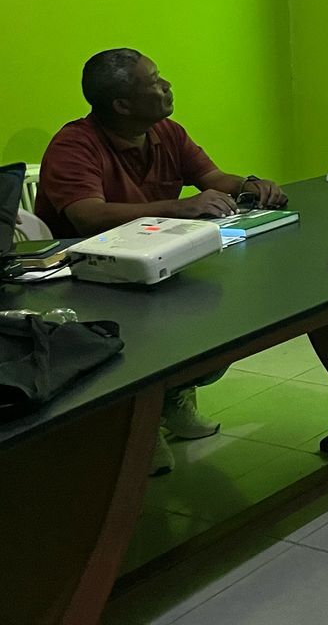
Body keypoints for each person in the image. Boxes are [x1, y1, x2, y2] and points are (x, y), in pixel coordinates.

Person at [35, 49, 287, 475]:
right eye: (153, 81)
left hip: (155, 263)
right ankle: (134, 424)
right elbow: (88, 216)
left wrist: (250, 184)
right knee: (141, 340)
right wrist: (179, 207)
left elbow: (212, 179)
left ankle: (172, 396)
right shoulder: (74, 145)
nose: (166, 86)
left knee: (221, 314)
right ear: (122, 105)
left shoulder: (166, 132)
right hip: (89, 279)